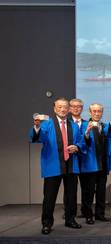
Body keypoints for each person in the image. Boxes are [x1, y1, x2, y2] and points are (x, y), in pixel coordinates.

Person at [29, 98, 83, 235]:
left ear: (69, 109)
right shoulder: (47, 124)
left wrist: (76, 147)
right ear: (54, 109)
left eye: (65, 107)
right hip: (53, 165)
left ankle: (70, 220)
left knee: (71, 196)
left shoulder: (74, 125)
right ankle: (46, 223)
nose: (63, 109)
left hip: (71, 165)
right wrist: (36, 127)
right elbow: (38, 138)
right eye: (60, 107)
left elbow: (80, 142)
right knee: (49, 197)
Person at [79, 103, 109, 224]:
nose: (97, 113)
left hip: (103, 164)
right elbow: (81, 141)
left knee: (101, 192)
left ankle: (100, 215)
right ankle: (88, 215)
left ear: (102, 112)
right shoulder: (84, 125)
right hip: (90, 164)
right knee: (89, 192)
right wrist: (86, 134)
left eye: (99, 111)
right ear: (90, 112)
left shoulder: (104, 126)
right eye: (94, 111)